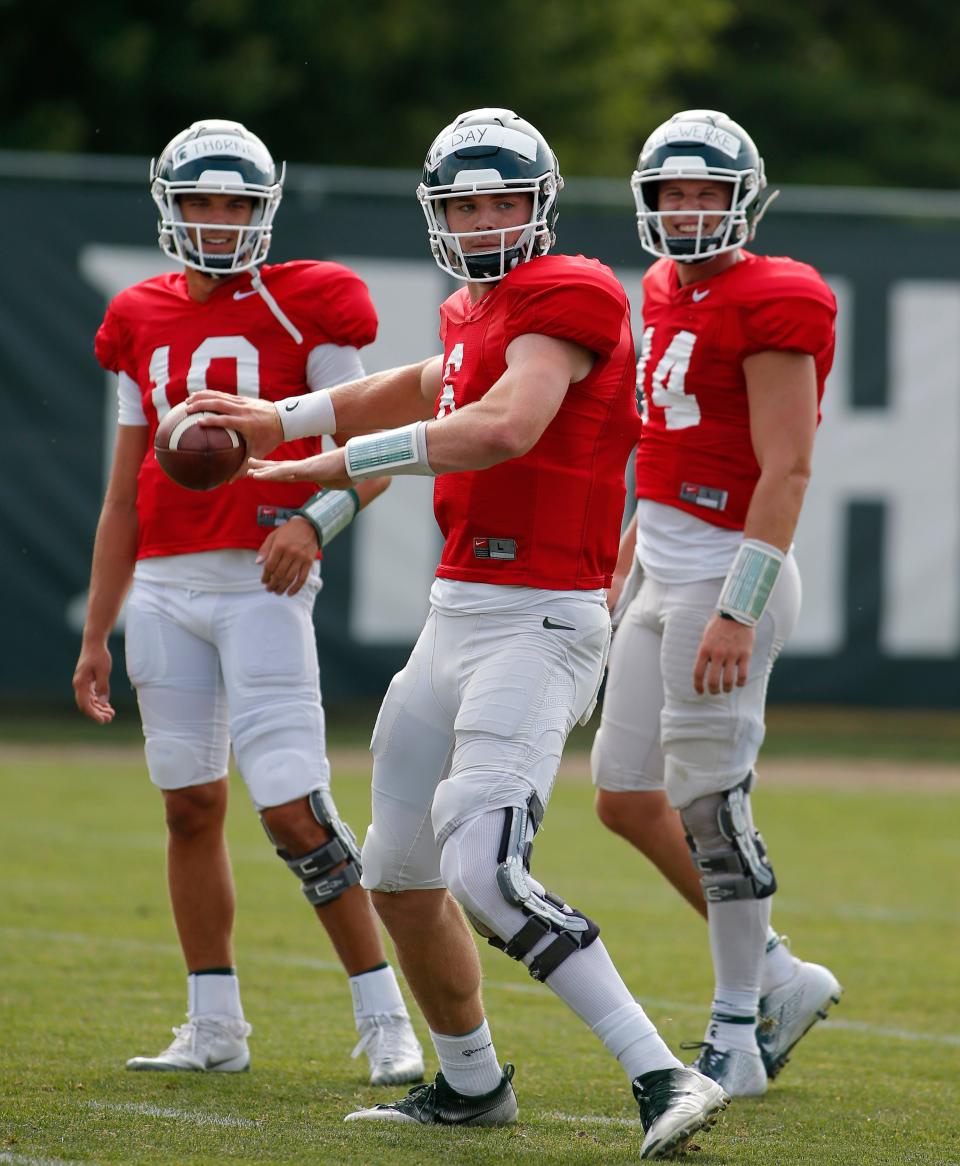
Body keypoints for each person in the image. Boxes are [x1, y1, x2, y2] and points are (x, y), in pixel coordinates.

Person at [188, 107, 728, 1159]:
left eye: (502, 202)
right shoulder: (470, 311)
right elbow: (430, 383)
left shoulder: (568, 292)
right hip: (453, 618)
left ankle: (664, 1072)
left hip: (539, 621)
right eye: (465, 204)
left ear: (540, 207)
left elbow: (503, 424)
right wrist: (287, 418)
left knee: (484, 870)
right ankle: (472, 1083)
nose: (483, 223)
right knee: (396, 869)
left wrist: (321, 465)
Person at [72, 118, 424, 1085]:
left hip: (259, 582)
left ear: (263, 209)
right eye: (201, 204)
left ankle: (385, 1015)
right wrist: (97, 627)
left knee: (294, 809)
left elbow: (373, 450)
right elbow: (122, 492)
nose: (219, 222)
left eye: (236, 204)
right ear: (170, 208)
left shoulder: (309, 300)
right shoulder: (139, 314)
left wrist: (312, 520)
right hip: (164, 589)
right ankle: (214, 1024)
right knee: (189, 806)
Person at [590, 109, 842, 1098]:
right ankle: (780, 971)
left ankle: (736, 1027)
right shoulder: (659, 284)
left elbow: (788, 466)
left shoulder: (777, 297)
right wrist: (625, 555)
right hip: (662, 564)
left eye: (706, 190)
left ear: (744, 198)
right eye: (672, 191)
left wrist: (739, 605)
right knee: (623, 794)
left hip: (730, 574)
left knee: (711, 803)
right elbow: (666, 447)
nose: (688, 209)